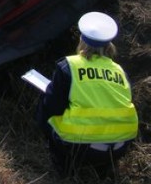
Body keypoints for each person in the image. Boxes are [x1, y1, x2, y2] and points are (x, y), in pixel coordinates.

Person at [36, 12, 138, 178]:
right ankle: (103, 168)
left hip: (79, 148)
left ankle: (64, 168)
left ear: (82, 41)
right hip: (120, 147)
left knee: (46, 102)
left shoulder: (69, 66)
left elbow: (52, 106)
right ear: (108, 46)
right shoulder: (120, 71)